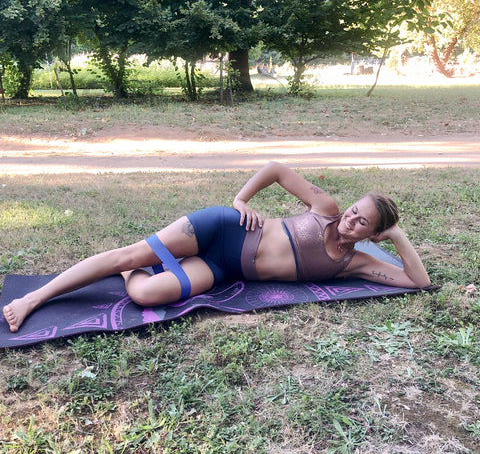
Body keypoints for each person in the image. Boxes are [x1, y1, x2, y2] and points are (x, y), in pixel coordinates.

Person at [2, 161, 431, 333]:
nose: (350, 220)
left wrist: (395, 236)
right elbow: (277, 168)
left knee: (145, 293)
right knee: (129, 255)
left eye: (363, 223)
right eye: (354, 210)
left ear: (373, 235)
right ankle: (35, 296)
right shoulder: (324, 206)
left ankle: (134, 266)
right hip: (223, 230)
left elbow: (417, 281)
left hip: (226, 269)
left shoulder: (354, 263)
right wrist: (242, 200)